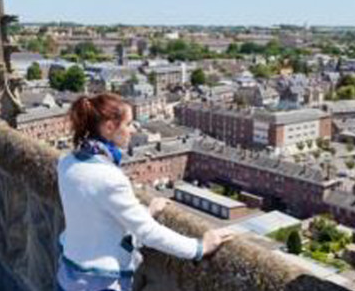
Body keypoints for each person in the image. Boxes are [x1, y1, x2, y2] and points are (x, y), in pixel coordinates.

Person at [56, 93, 233, 291]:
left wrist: (145, 213)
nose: (133, 130)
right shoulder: (109, 177)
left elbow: (97, 218)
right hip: (101, 282)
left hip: (69, 274)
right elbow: (148, 233)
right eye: (128, 124)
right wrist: (199, 248)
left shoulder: (67, 162)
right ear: (109, 127)